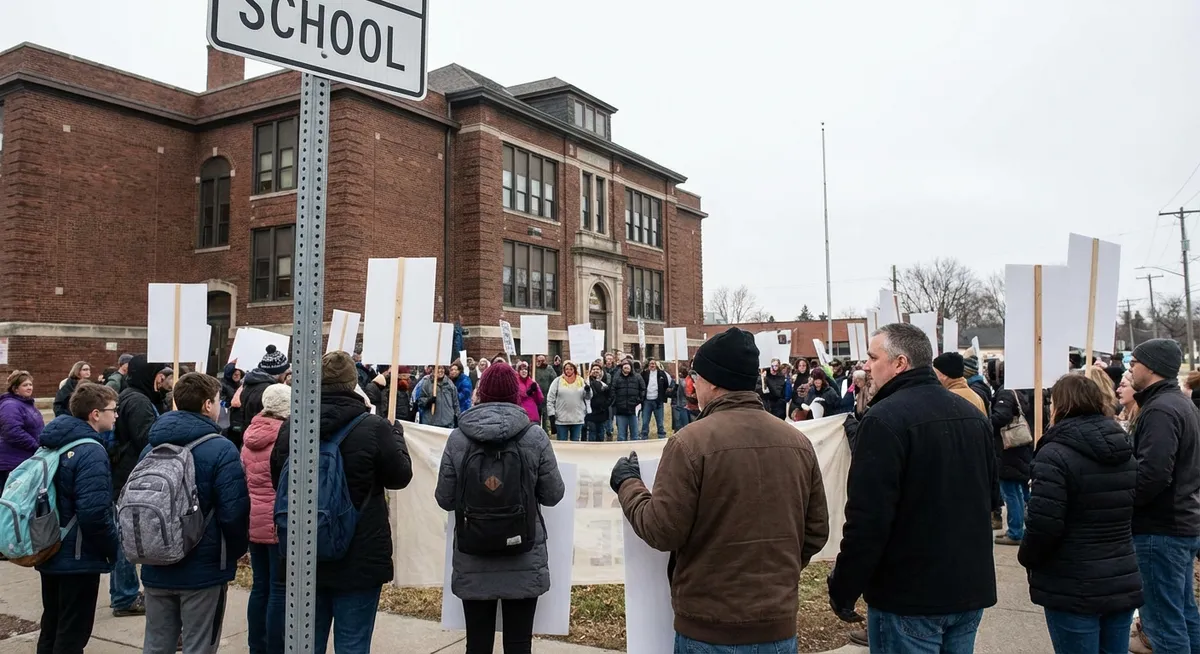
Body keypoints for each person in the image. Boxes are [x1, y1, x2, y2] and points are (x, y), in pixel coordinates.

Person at [611, 327, 829, 652]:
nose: (691, 383)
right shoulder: (798, 443)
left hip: (708, 631)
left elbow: (662, 530)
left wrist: (628, 485)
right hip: (778, 628)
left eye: (695, 376)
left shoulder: (689, 443)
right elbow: (816, 532)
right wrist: (773, 574)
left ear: (713, 382)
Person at [828, 323, 997, 653]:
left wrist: (843, 588)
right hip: (967, 588)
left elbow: (868, 519)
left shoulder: (883, 420)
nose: (865, 366)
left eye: (872, 357)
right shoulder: (972, 414)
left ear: (900, 363)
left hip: (909, 597)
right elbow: (991, 498)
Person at [270, 351, 413, 654]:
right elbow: (400, 478)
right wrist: (396, 436)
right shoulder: (374, 428)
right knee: (352, 645)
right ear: (353, 384)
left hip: (303, 552)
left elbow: (277, 482)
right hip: (358, 555)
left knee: (306, 644)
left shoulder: (292, 427)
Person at [434, 362, 564, 654]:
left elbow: (444, 498)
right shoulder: (534, 437)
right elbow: (554, 494)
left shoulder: (458, 439)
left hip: (473, 556)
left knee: (477, 645)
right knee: (519, 646)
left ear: (481, 393)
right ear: (515, 395)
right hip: (523, 554)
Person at [1017, 374, 1141, 654]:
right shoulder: (1125, 451)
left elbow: (1044, 524)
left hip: (1072, 581)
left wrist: (1027, 557)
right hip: (1119, 574)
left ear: (1060, 405)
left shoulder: (1055, 453)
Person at [139, 373, 250, 654]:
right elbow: (234, 511)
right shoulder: (221, 449)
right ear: (206, 405)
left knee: (155, 644)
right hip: (204, 567)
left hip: (155, 559)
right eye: (218, 402)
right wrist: (232, 552)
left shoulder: (150, 447)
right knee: (200, 645)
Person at [1126, 339, 1200, 653]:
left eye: (1135, 362)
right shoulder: (1181, 404)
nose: (1130, 367)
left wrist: (1125, 503)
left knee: (1163, 623)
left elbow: (1153, 474)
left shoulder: (1161, 409)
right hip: (1179, 524)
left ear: (1152, 366)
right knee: (1183, 613)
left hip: (1160, 530)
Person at [35, 382, 120, 654]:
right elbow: (94, 512)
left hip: (49, 546)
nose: (116, 415)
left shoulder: (53, 443)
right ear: (95, 414)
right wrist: (112, 547)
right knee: (72, 633)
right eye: (112, 410)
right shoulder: (91, 451)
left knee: (52, 624)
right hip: (78, 556)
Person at [110, 355, 169, 618]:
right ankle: (125, 596)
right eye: (159, 373)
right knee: (126, 539)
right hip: (129, 474)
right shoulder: (138, 401)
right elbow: (147, 438)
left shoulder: (134, 396)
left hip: (126, 472)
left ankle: (125, 592)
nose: (162, 378)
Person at [241, 383, 290, 654]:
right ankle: (276, 648)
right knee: (278, 588)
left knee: (259, 586)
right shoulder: (285, 437)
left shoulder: (251, 434)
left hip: (253, 520)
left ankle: (256, 645)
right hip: (275, 522)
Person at [989, 362, 1039, 546]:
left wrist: (985, 421)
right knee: (1022, 490)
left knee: (1011, 491)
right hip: (1021, 447)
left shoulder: (1005, 392)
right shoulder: (1021, 391)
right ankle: (1026, 528)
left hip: (1009, 449)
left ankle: (1015, 531)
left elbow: (1001, 417)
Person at [229, 345, 291, 447]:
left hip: (249, 438)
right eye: (285, 373)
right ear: (278, 372)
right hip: (262, 441)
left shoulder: (250, 384)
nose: (286, 376)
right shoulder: (269, 390)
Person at [0, 370, 45, 488]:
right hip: (11, 462)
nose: (29, 387)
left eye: (30, 384)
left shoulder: (27, 404)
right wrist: (36, 445)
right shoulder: (10, 405)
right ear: (15, 389)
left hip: (23, 459)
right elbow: (12, 431)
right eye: (25, 385)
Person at [545, 362, 588, 442]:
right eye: (566, 369)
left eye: (571, 369)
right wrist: (551, 414)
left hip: (577, 418)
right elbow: (550, 398)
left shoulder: (581, 381)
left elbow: (587, 397)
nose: (568, 371)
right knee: (562, 443)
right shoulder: (557, 381)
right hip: (561, 419)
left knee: (575, 443)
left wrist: (588, 390)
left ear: (574, 370)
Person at [610, 361, 645, 442]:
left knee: (635, 436)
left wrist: (639, 400)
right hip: (620, 411)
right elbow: (612, 390)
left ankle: (634, 452)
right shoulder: (616, 377)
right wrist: (616, 402)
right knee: (621, 437)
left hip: (633, 410)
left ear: (631, 367)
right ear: (622, 368)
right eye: (625, 367)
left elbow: (643, 389)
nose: (626, 368)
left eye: (628, 367)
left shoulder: (638, 377)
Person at [640, 359, 672, 439]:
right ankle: (644, 436)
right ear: (648, 365)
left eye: (654, 363)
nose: (652, 365)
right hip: (647, 401)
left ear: (656, 365)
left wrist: (663, 396)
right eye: (651, 363)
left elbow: (666, 384)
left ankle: (661, 436)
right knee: (645, 421)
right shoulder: (644, 374)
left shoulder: (661, 374)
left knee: (660, 422)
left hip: (658, 401)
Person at [585, 363, 613, 442]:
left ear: (601, 371)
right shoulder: (587, 382)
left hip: (602, 413)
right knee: (592, 434)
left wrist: (604, 406)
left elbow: (610, 396)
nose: (595, 371)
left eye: (597, 369)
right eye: (594, 369)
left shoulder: (605, 383)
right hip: (591, 413)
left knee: (601, 434)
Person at [534, 356, 555, 430]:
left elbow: (554, 380)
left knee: (546, 416)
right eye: (539, 361)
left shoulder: (549, 369)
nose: (540, 362)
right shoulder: (534, 369)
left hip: (546, 396)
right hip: (536, 397)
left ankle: (546, 431)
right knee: (536, 415)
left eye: (542, 361)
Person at [671, 364, 693, 432]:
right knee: (678, 425)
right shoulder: (676, 381)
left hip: (685, 405)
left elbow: (686, 392)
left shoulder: (686, 381)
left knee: (685, 424)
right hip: (677, 404)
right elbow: (670, 393)